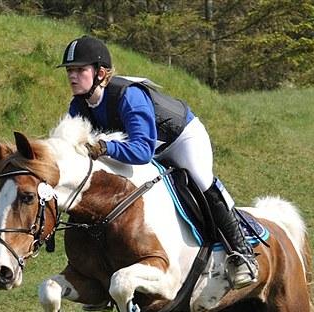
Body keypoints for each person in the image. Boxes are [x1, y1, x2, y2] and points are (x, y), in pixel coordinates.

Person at [58, 35, 258, 290]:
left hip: (180, 139)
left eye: (79, 70)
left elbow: (141, 150)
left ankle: (242, 254)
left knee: (201, 180)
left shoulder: (128, 95)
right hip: (147, 149)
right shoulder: (78, 106)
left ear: (100, 72)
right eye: (69, 71)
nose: (72, 76)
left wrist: (106, 147)